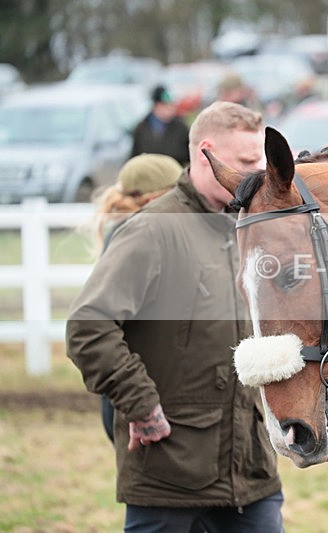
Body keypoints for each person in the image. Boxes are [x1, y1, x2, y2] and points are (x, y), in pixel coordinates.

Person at [66, 101, 284, 532]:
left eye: (259, 161)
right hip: (170, 473)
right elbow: (88, 327)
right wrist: (141, 406)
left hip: (251, 474)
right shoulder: (152, 231)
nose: (257, 173)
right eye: (244, 162)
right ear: (206, 152)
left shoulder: (251, 229)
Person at [87, 153, 183, 443]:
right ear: (158, 196)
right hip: (145, 392)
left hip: (130, 391)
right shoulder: (138, 238)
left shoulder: (128, 234)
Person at [131, 85, 190, 165]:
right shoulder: (141, 129)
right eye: (164, 105)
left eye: (171, 105)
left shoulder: (181, 128)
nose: (169, 109)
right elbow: (134, 158)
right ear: (155, 105)